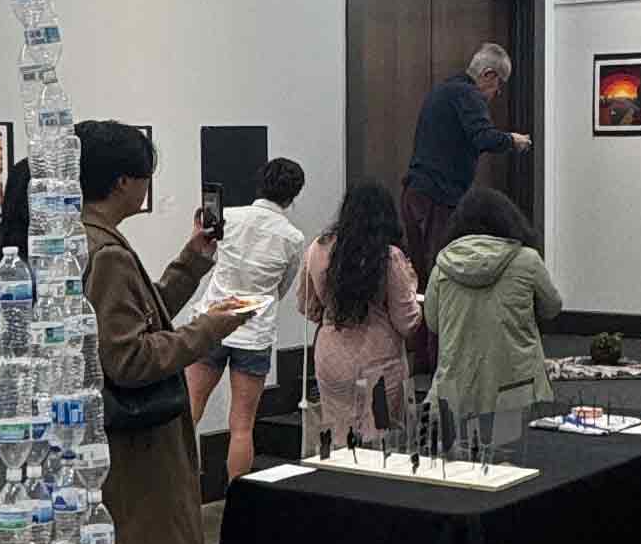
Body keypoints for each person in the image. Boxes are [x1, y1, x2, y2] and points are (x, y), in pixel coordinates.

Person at [79, 120, 256, 544]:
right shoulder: (104, 254)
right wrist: (211, 329)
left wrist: (191, 263)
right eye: (146, 175)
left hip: (114, 454)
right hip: (134, 458)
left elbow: (136, 319)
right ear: (125, 180)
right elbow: (128, 357)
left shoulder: (91, 243)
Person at [184, 157, 308, 484]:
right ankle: (236, 500)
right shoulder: (293, 237)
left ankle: (178, 490)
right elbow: (282, 286)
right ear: (294, 194)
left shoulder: (229, 217)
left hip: (211, 323)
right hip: (254, 332)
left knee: (188, 412)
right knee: (242, 425)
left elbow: (206, 254)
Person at [424, 185, 563, 435]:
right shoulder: (527, 260)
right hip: (519, 389)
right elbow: (553, 307)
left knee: (462, 456)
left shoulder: (442, 267)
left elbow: (433, 323)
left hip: (459, 391)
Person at [398, 46, 529, 297]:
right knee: (443, 274)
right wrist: (513, 140)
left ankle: (422, 322)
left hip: (415, 192)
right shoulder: (469, 94)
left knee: (421, 279)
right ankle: (441, 324)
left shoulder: (443, 90)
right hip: (438, 197)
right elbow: (484, 137)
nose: (497, 93)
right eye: (499, 84)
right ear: (488, 74)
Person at [298, 181, 420, 445]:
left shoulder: (317, 249)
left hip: (331, 356)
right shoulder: (389, 256)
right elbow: (406, 321)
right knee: (378, 440)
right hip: (380, 360)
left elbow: (307, 306)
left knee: (338, 436)